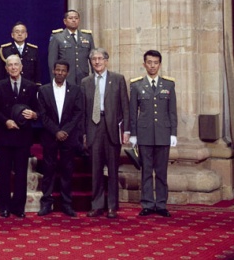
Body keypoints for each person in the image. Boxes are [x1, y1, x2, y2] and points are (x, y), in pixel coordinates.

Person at [81, 48, 130, 219]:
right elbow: (83, 111)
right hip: (93, 127)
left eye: (100, 58)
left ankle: (112, 206)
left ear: (106, 60)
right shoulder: (85, 82)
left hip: (112, 128)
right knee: (96, 170)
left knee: (113, 170)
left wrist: (126, 131)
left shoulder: (117, 79)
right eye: (93, 59)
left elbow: (125, 107)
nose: (97, 62)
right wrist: (84, 133)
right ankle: (97, 205)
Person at [129, 50, 178, 217]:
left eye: (155, 62)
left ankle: (162, 204)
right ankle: (148, 203)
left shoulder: (169, 85)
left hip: (164, 134)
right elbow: (132, 112)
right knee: (147, 171)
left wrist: (173, 133)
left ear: (160, 64)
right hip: (144, 134)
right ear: (144, 64)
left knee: (162, 172)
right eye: (149, 62)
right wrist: (133, 134)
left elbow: (172, 112)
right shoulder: (136, 85)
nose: (152, 66)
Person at [0, 54, 38, 218]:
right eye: (9, 65)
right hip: (4, 136)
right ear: (6, 68)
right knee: (3, 173)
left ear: (21, 66)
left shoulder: (31, 86)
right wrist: (6, 122)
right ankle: (3, 207)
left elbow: (38, 110)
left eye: (16, 64)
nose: (13, 67)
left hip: (23, 137)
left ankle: (19, 207)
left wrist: (33, 115)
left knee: (21, 173)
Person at [37, 60, 83, 217]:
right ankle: (46, 203)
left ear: (67, 73)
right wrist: (56, 131)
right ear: (53, 71)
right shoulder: (44, 90)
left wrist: (65, 131)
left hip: (68, 137)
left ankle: (66, 204)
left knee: (67, 171)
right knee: (48, 170)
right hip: (50, 136)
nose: (60, 73)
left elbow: (78, 113)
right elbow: (42, 114)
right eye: (58, 70)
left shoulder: (76, 90)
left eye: (63, 70)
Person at [48, 10, 95, 86]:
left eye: (76, 18)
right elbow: (52, 62)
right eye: (71, 18)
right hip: (65, 78)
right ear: (65, 21)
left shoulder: (87, 36)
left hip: (83, 78)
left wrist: (95, 77)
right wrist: (55, 81)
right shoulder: (57, 37)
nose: (74, 20)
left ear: (79, 20)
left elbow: (93, 59)